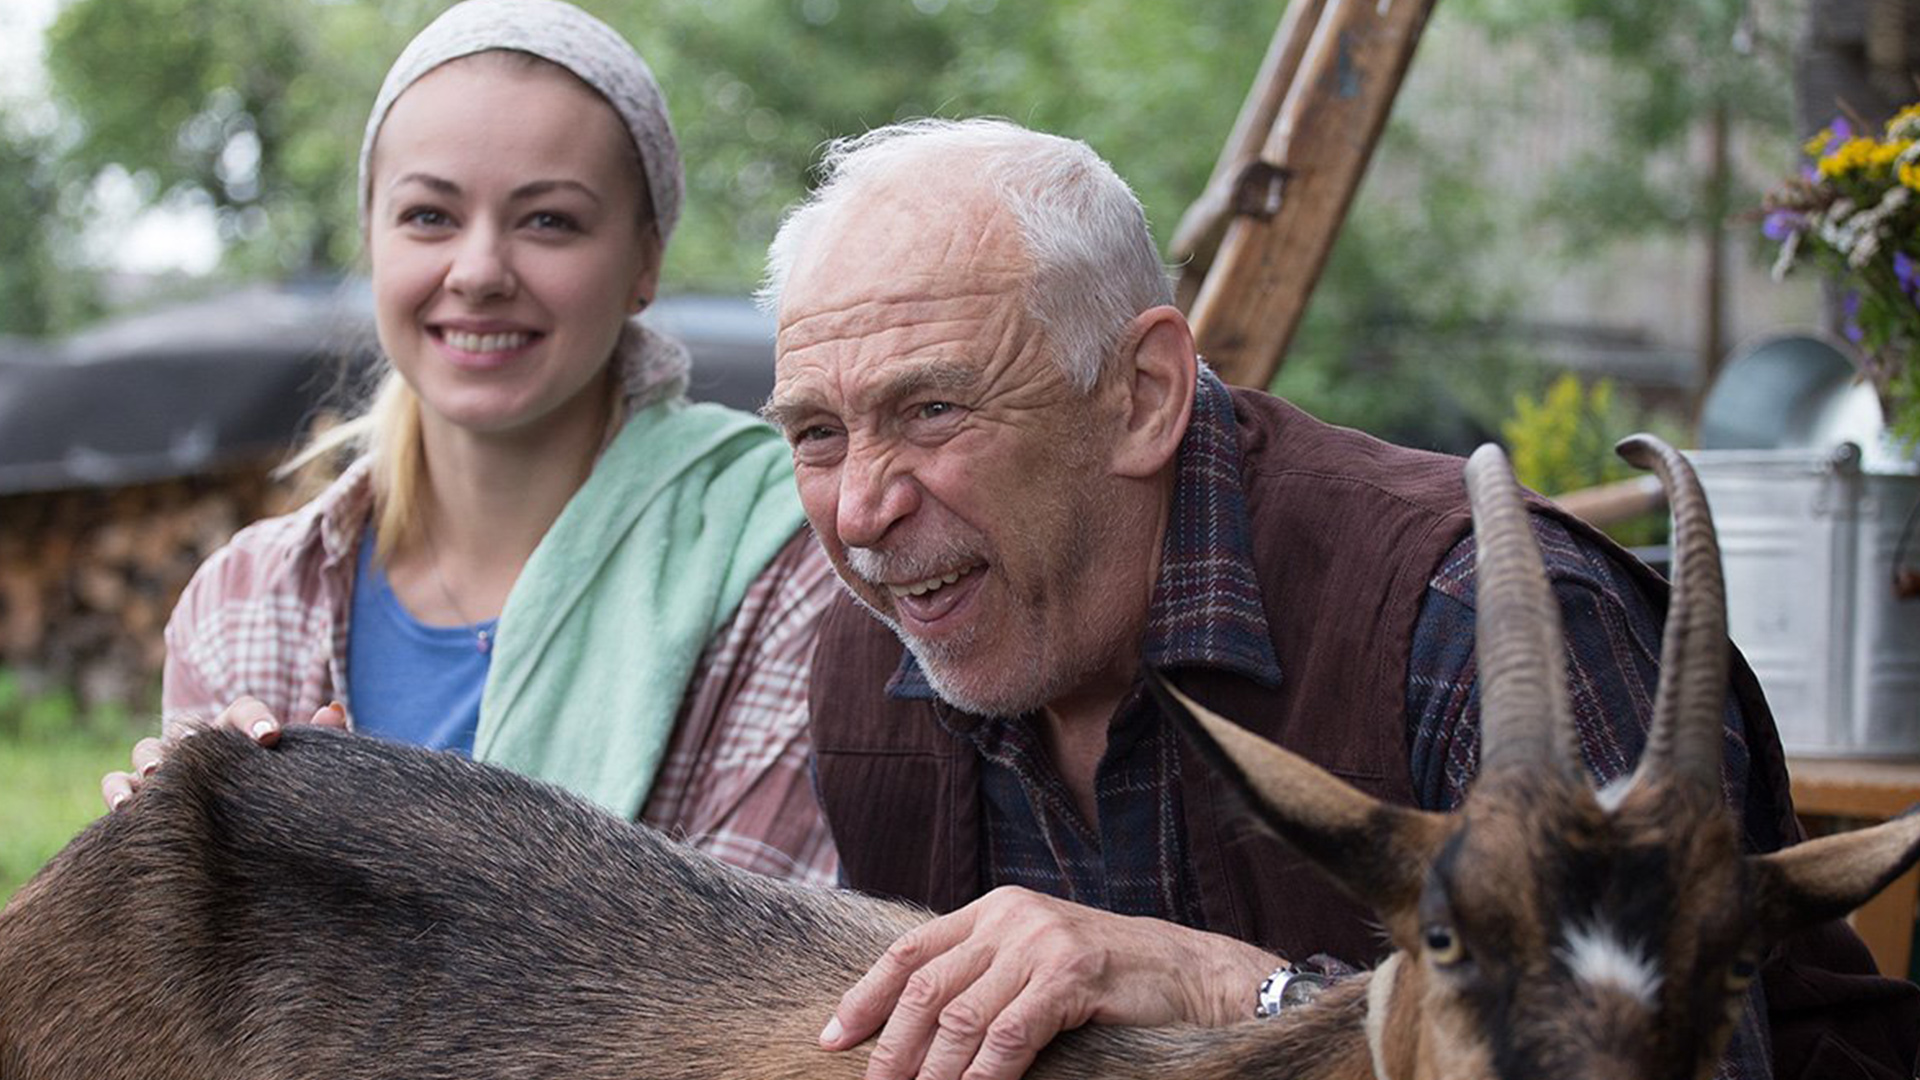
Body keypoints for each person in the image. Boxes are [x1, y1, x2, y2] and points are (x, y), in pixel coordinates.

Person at [757, 118, 1920, 1080]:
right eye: (817, 433)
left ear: (1144, 395)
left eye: (934, 411)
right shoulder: (874, 662)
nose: (861, 512)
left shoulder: (1489, 626)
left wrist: (1234, 990)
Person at [102, 0, 839, 886]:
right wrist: (172, 870)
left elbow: (736, 986)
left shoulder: (783, 560)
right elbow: (199, 1010)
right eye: (428, 216)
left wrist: (331, 870)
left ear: (645, 260)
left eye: (549, 221)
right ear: (371, 236)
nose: (480, 270)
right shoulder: (245, 600)